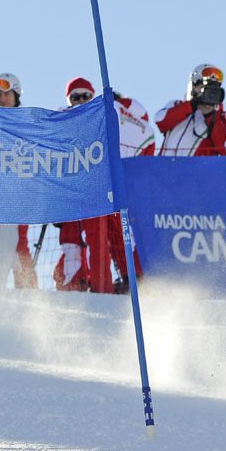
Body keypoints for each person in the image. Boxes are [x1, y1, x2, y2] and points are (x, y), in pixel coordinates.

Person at [57, 77, 152, 293]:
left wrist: (117, 101)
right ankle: (92, 287)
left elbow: (145, 128)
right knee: (87, 242)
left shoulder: (110, 112)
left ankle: (127, 285)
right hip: (81, 193)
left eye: (86, 96)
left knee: (118, 238)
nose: (81, 101)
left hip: (110, 188)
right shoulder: (63, 117)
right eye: (75, 97)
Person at [0, 72, 38, 289]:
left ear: (16, 94)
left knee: (19, 240)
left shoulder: (25, 121)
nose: (1, 99)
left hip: (20, 191)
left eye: (6, 94)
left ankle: (26, 286)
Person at [156, 64, 226, 156]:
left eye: (213, 89)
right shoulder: (176, 105)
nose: (208, 93)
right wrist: (191, 105)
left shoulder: (224, 117)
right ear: (193, 87)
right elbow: (160, 120)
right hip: (164, 167)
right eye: (203, 87)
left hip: (195, 169)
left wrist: (210, 117)